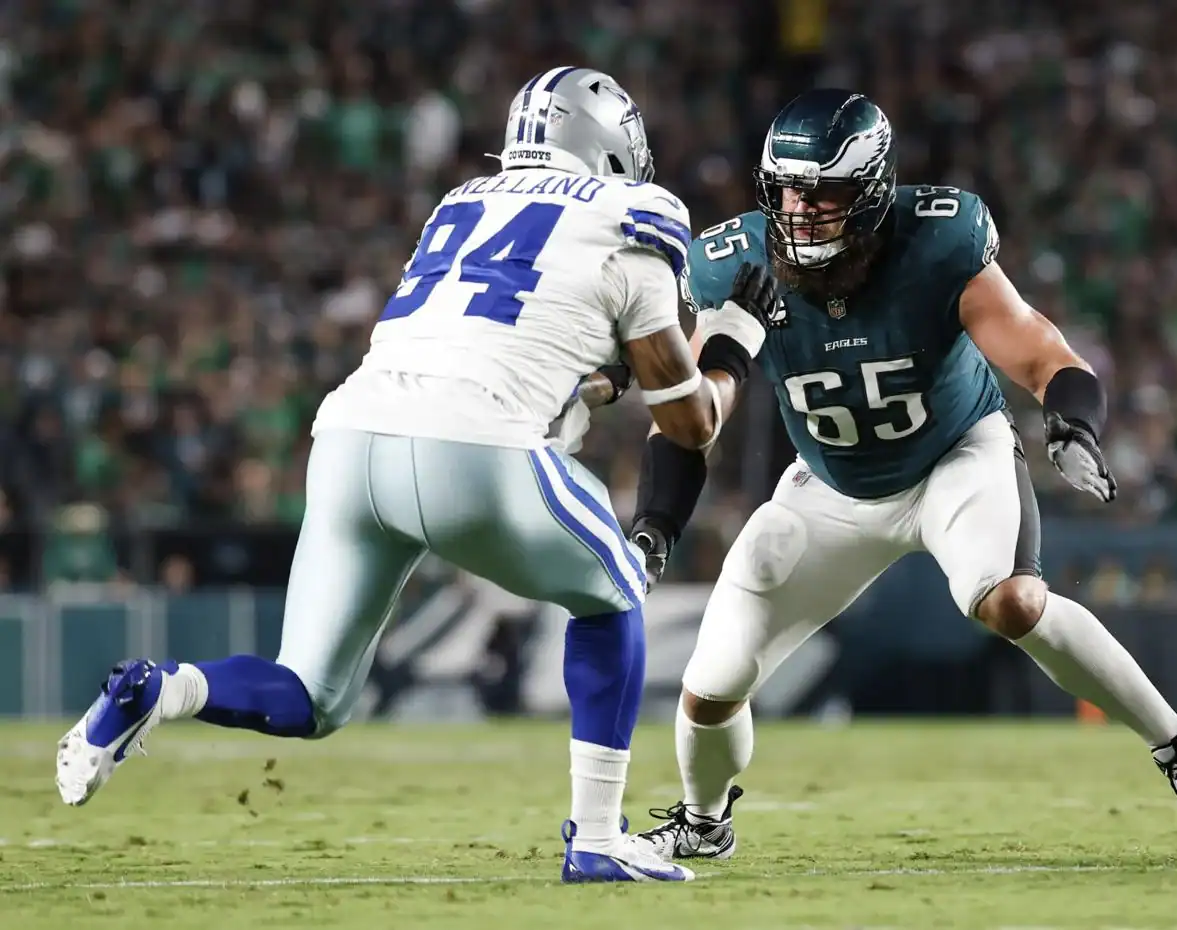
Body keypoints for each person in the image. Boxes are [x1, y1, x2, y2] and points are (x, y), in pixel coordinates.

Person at [54, 66, 773, 884]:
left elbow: (545, 344)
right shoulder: (635, 219)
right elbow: (688, 423)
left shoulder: (462, 203)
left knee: (310, 696)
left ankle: (162, 688)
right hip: (475, 448)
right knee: (613, 594)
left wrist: (609, 380)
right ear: (608, 147)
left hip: (352, 438)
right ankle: (599, 837)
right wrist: (730, 347)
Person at [628, 89, 1177, 861]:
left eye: (822, 194)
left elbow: (1042, 351)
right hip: (830, 487)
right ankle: (703, 821)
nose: (801, 212)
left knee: (1012, 600)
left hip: (953, 458)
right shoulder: (735, 263)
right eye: (788, 192)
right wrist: (654, 525)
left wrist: (1073, 423)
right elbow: (690, 420)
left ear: (872, 191)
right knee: (712, 686)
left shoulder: (937, 241)